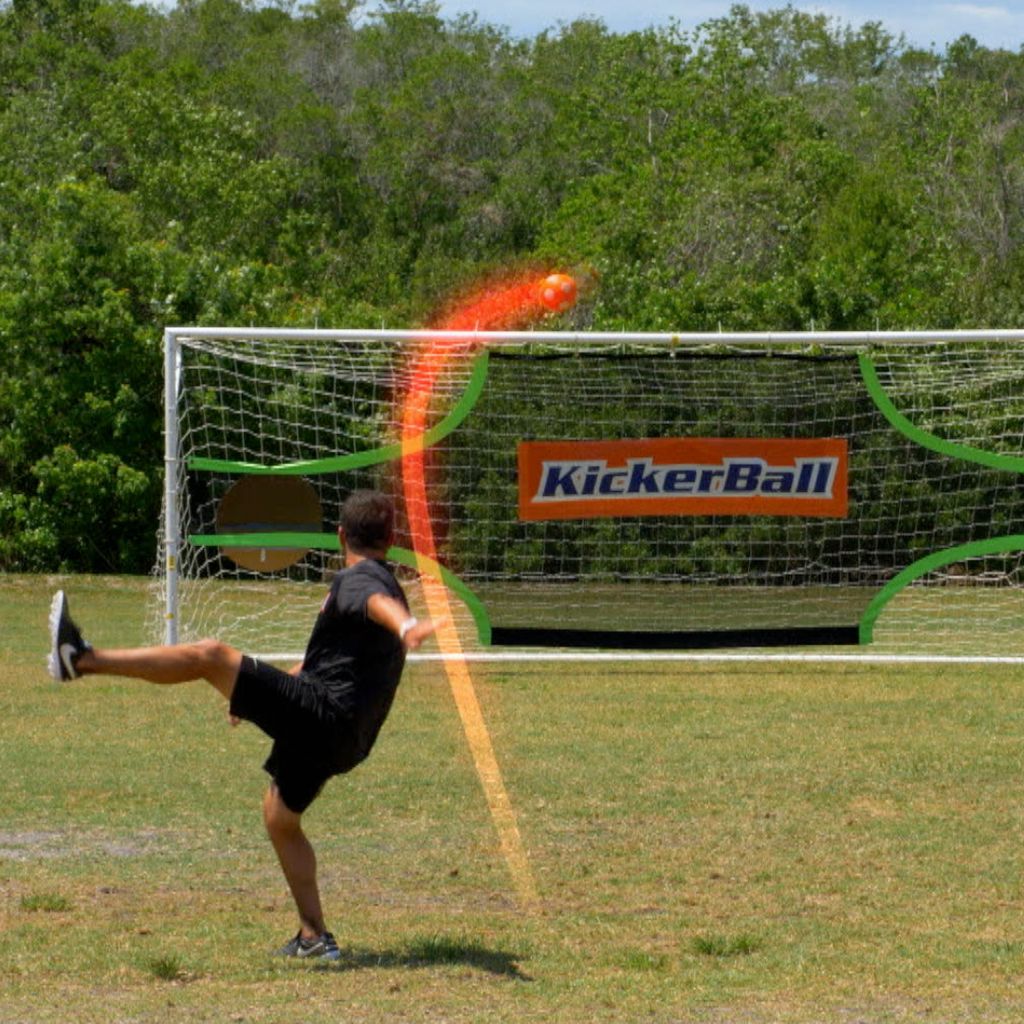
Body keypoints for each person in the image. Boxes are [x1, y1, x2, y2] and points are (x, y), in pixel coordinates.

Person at [47, 489, 438, 961]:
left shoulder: (361, 578)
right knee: (280, 816)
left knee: (209, 655)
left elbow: (373, 601)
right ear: (390, 538)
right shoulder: (382, 577)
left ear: (340, 535)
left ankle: (81, 660)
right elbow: (330, 661)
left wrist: (405, 626)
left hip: (324, 718)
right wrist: (260, 693)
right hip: (344, 736)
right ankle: (314, 937)